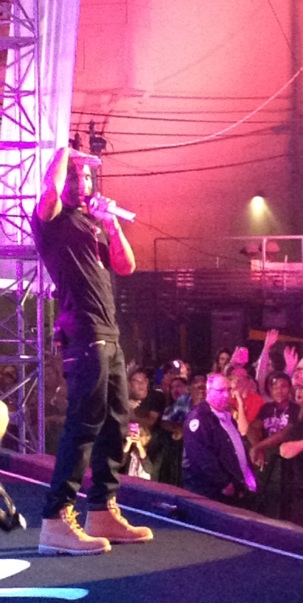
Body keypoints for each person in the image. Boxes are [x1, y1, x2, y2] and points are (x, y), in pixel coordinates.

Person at [31, 147, 152, 555]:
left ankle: (102, 510)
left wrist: (111, 224)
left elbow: (126, 266)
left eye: (86, 177)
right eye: (75, 176)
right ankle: (55, 519)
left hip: (109, 332)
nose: (82, 183)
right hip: (82, 332)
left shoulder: (91, 223)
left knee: (116, 422)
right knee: (84, 424)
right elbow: (50, 191)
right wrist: (65, 151)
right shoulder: (50, 220)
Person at [182, 373, 257, 503]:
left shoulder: (227, 417)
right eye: (221, 391)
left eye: (228, 390)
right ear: (209, 391)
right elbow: (201, 457)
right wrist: (224, 483)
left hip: (232, 488)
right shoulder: (199, 418)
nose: (226, 395)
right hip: (211, 492)